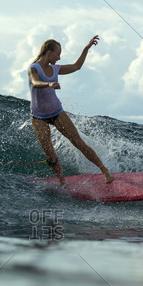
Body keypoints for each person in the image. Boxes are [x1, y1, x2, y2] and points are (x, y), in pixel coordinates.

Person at [28, 35, 114, 186]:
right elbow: (35, 82)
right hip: (38, 117)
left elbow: (76, 66)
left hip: (57, 113)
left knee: (79, 142)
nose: (59, 58)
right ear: (48, 53)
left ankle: (104, 171)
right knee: (50, 154)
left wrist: (86, 49)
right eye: (57, 54)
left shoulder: (55, 68)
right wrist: (48, 84)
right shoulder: (34, 68)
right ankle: (61, 180)